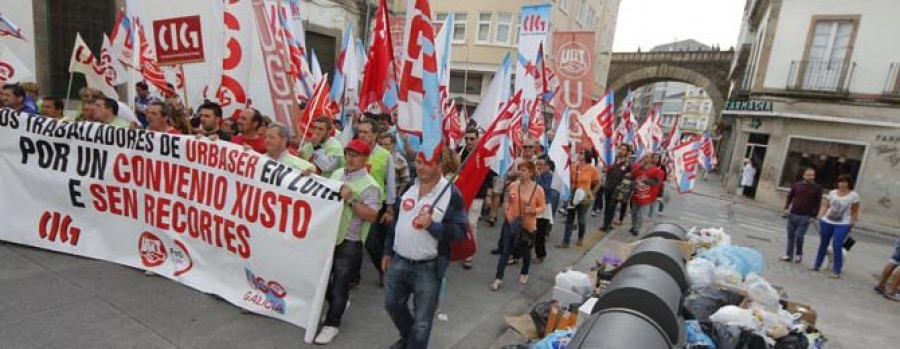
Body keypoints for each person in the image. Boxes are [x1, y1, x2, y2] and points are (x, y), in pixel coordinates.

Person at [382, 149, 467, 349]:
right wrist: (387, 251)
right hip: (399, 260)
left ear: (439, 165)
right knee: (392, 304)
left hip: (428, 268)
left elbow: (460, 232)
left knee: (422, 322)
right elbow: (396, 221)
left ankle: (413, 343)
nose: (419, 167)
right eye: (418, 162)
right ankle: (408, 338)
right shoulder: (410, 186)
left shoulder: (451, 195)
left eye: (425, 163)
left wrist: (432, 226)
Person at [314, 139, 381, 344]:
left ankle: (332, 324)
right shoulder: (336, 174)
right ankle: (338, 305)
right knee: (322, 282)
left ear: (365, 158)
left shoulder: (371, 185)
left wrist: (351, 200)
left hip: (349, 241)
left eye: (356, 155)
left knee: (340, 285)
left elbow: (371, 216)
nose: (350, 158)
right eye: (348, 154)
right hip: (328, 236)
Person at [491, 159, 545, 290]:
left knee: (525, 251)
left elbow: (542, 207)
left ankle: (524, 272)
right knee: (505, 251)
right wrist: (507, 212)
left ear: (531, 172)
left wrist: (533, 210)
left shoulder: (537, 189)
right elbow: (507, 201)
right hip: (511, 223)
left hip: (528, 225)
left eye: (524, 170)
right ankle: (498, 278)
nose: (520, 173)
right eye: (519, 170)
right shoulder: (513, 185)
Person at [357, 119, 398, 286]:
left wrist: (389, 208)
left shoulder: (384, 155)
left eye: (366, 132)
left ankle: (383, 269)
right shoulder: (354, 150)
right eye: (360, 131)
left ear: (375, 135)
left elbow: (390, 183)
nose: (362, 135)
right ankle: (353, 276)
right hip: (354, 202)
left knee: (371, 243)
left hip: (375, 205)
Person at [811, 174, 860, 279]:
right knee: (823, 243)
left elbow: (855, 210)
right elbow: (826, 205)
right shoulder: (832, 193)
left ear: (848, 183)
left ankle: (836, 270)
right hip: (827, 221)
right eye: (840, 182)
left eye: (844, 182)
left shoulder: (853, 195)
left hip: (843, 223)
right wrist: (820, 215)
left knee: (837, 245)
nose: (842, 184)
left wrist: (852, 221)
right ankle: (817, 264)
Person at [557, 150, 601, 248]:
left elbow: (598, 183)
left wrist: (592, 193)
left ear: (587, 156)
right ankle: (565, 241)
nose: (579, 155)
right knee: (570, 219)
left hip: (584, 197)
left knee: (581, 219)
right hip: (573, 196)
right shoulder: (573, 167)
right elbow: (568, 180)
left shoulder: (592, 169)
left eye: (582, 153)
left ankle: (580, 238)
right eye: (579, 153)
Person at [781, 168, 822, 263]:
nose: (810, 177)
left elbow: (817, 203)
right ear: (804, 175)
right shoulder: (797, 185)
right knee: (791, 236)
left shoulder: (817, 187)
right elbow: (790, 196)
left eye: (812, 175)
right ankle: (788, 255)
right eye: (808, 175)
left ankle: (799, 254)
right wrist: (786, 208)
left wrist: (813, 216)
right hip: (793, 213)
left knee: (799, 236)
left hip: (805, 216)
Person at [629, 153, 664, 236]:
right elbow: (633, 175)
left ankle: (637, 229)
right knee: (634, 212)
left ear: (651, 159)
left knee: (641, 214)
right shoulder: (639, 167)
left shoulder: (656, 170)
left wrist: (647, 180)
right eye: (644, 156)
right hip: (636, 194)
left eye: (646, 156)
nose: (644, 158)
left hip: (647, 196)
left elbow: (657, 183)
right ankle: (634, 225)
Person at [600, 145, 631, 232]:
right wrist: (605, 170)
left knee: (612, 207)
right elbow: (606, 170)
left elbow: (630, 177)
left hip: (617, 190)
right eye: (620, 149)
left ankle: (608, 225)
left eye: (623, 149)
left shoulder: (628, 164)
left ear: (626, 152)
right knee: (606, 207)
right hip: (608, 187)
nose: (621, 151)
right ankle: (605, 224)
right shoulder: (613, 161)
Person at [534, 155, 557, 264]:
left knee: (540, 233)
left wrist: (539, 177)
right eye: (537, 164)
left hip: (543, 206)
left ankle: (540, 254)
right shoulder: (535, 174)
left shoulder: (549, 176)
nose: (539, 167)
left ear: (547, 166)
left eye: (541, 165)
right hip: (533, 204)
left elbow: (544, 189)